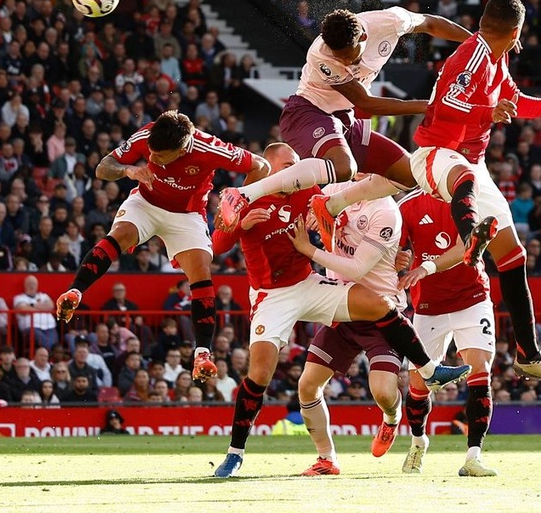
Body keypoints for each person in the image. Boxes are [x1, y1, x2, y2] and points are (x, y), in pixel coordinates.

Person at [209, 143, 470, 478]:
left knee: (379, 306)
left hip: (309, 283)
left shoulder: (314, 194)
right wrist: (239, 225)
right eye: (289, 166)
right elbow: (216, 245)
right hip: (271, 296)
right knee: (261, 374)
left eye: (298, 165)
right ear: (270, 171)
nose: (297, 172)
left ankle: (428, 370)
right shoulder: (250, 197)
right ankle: (238, 453)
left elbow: (380, 196)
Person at [396, 0, 541, 382]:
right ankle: (471, 241)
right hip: (437, 153)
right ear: (516, 31)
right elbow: (442, 102)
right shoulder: (470, 56)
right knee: (463, 178)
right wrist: (486, 112)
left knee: (513, 255)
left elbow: (512, 100)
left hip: (473, 166)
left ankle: (528, 354)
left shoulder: (498, 58)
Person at [55, 111, 267, 382]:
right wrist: (128, 170)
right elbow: (103, 167)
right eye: (150, 154)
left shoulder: (209, 147)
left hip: (187, 215)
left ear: (181, 149)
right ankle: (74, 292)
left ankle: (202, 353)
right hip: (145, 202)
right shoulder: (148, 134)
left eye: (159, 156)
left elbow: (260, 166)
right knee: (121, 234)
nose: (152, 159)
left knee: (201, 271)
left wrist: (239, 201)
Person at [218, 6, 471, 230]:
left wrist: (476, 42)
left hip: (343, 119)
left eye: (349, 56)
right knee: (343, 168)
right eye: (340, 58)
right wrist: (430, 106)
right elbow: (366, 103)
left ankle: (329, 205)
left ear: (363, 36)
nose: (345, 62)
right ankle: (242, 194)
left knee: (410, 175)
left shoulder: (390, 21)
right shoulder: (321, 54)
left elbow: (430, 23)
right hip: (308, 112)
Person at [293, 179, 408, 476]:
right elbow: (312, 209)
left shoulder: (386, 211)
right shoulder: (335, 192)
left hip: (381, 310)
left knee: (382, 392)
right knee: (307, 385)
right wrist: (311, 218)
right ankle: (326, 459)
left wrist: (309, 250)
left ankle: (392, 418)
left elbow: (357, 268)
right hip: (342, 304)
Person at [397, 189, 498, 477]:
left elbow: (463, 248)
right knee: (419, 385)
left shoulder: (466, 201)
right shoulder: (408, 205)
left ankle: (473, 457)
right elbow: (398, 250)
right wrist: (399, 261)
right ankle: (418, 442)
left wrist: (425, 267)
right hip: (429, 305)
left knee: (480, 370)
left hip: (472, 296)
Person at [13, 275, 58, 351]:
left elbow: (50, 306)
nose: (32, 286)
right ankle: (49, 354)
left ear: (37, 285)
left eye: (33, 284)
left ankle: (48, 354)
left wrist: (31, 306)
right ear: (25, 285)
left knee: (53, 342)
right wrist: (41, 307)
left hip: (50, 327)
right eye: (29, 283)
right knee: (48, 343)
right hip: (30, 329)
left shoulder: (43, 295)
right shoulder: (19, 298)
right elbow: (23, 310)